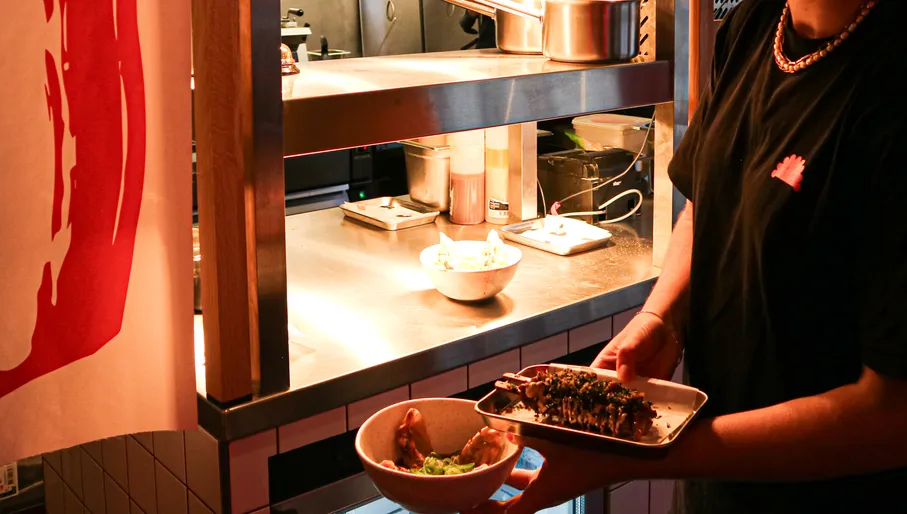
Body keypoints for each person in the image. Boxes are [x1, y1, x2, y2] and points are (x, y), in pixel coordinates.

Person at [472, 0, 907, 512]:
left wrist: (639, 458)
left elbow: (893, 415)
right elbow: (707, 201)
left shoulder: (892, 80)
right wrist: (662, 315)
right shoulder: (755, 25)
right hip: (715, 487)